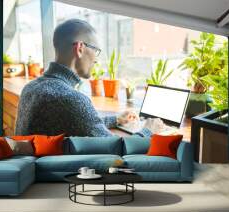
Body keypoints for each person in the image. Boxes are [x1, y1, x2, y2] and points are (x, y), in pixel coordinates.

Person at [15, 19, 152, 137]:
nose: (96, 59)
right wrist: (149, 130)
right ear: (80, 48)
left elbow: (79, 123)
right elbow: (118, 148)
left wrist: (116, 119)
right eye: (96, 50)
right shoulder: (70, 98)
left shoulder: (30, 88)